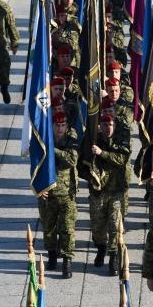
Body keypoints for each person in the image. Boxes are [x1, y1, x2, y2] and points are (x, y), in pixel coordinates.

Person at [84, 113, 131, 275]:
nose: (107, 128)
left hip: (117, 190)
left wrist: (102, 153)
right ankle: (101, 248)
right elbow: (83, 161)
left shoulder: (121, 140)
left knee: (115, 224)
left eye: (110, 125)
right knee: (97, 226)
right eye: (104, 125)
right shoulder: (93, 140)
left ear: (115, 126)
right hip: (98, 191)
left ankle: (113, 256)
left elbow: (121, 159)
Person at [38, 111, 80, 278]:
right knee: (49, 228)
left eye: (63, 125)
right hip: (48, 193)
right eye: (57, 125)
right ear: (52, 126)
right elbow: (36, 165)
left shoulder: (71, 140)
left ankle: (67, 260)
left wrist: (52, 149)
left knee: (67, 228)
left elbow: (72, 159)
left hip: (66, 193)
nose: (60, 129)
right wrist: (39, 188)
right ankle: (52, 256)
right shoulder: (41, 142)